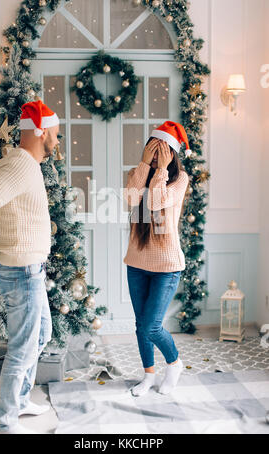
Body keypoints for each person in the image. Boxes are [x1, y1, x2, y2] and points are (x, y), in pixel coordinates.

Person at [0, 100, 60, 434]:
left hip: (28, 268)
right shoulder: (22, 164)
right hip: (22, 271)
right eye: (56, 134)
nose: (57, 141)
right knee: (23, 347)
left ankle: (20, 402)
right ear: (43, 131)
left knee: (43, 334)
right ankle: (6, 423)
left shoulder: (19, 163)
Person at [123, 121, 191, 397]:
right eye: (152, 148)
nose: (154, 154)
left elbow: (154, 201)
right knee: (141, 325)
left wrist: (161, 169)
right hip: (137, 263)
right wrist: (143, 165)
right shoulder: (137, 173)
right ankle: (148, 375)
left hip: (167, 267)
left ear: (172, 153)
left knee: (151, 325)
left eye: (161, 150)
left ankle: (174, 363)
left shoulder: (179, 179)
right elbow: (131, 200)